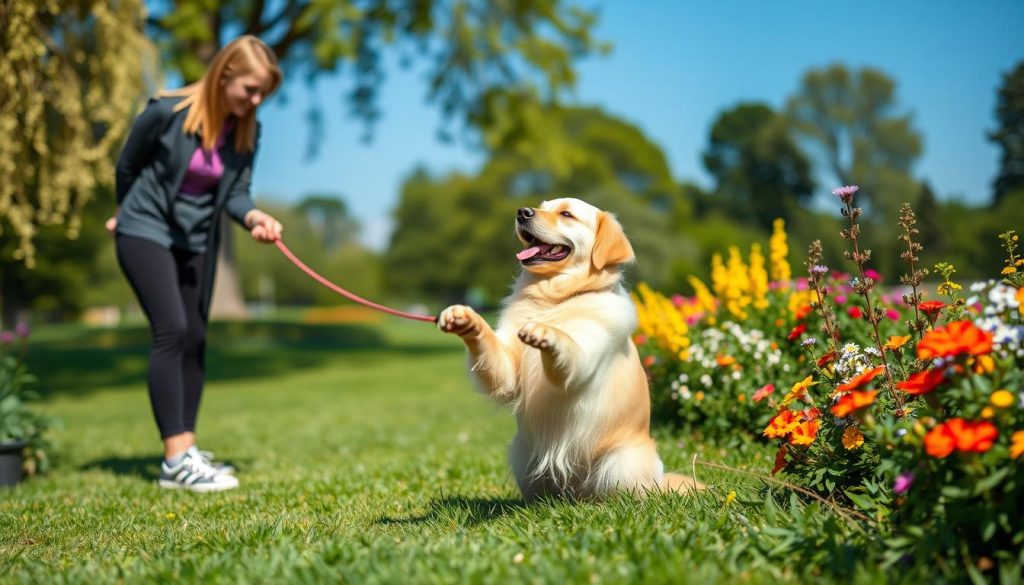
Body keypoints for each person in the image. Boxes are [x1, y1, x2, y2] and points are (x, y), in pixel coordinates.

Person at [106, 35, 284, 492]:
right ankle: (173, 462)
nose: (256, 100)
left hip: (196, 239)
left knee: (196, 338)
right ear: (224, 76)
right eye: (250, 89)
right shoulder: (166, 112)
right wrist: (124, 212)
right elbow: (127, 166)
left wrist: (253, 216)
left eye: (263, 93)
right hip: (145, 229)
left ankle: (186, 448)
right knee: (173, 330)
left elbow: (238, 192)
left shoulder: (247, 131)